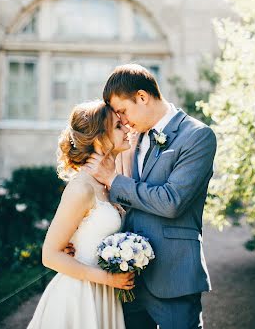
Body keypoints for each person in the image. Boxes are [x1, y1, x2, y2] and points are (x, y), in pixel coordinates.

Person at [84, 64, 217, 329]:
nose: (122, 120)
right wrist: (81, 241)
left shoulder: (197, 136)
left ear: (142, 97)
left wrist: (114, 180)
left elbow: (172, 201)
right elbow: (117, 203)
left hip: (173, 275)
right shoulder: (130, 139)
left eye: (122, 111)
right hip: (127, 276)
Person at [27, 100, 134, 329]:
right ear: (98, 138)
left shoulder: (106, 184)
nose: (126, 128)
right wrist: (107, 278)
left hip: (105, 293)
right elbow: (50, 255)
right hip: (79, 296)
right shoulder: (82, 187)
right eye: (117, 126)